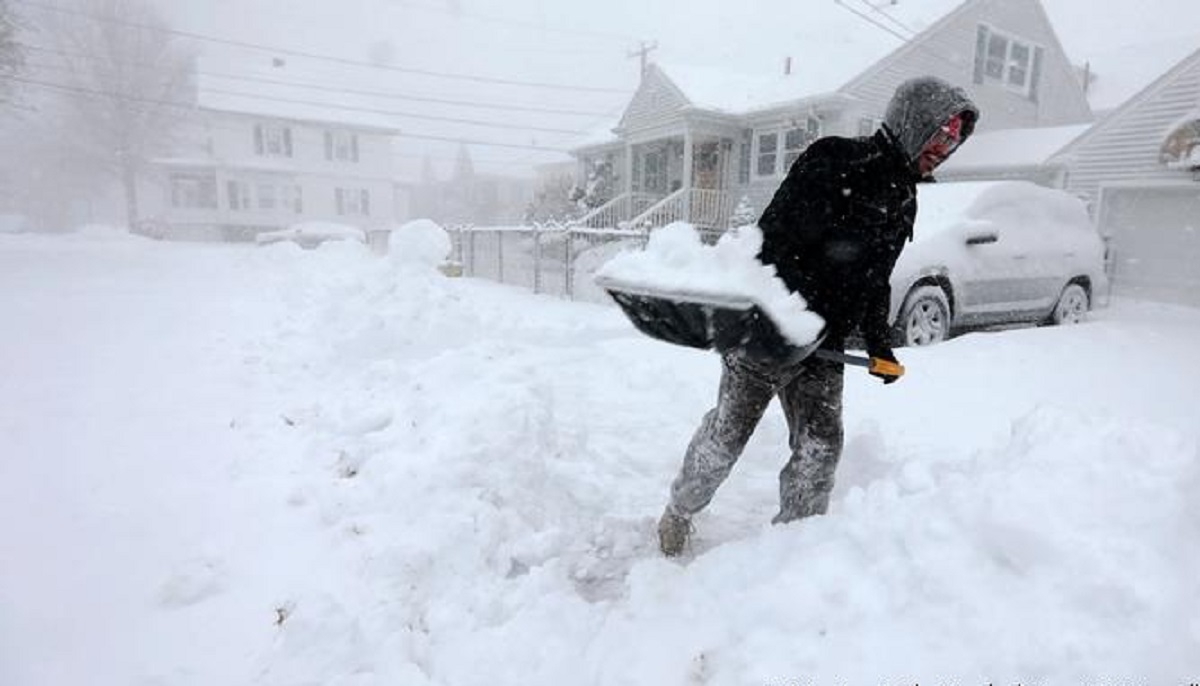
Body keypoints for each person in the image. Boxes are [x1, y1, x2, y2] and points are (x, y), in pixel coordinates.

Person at [657, 76, 979, 556]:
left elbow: (876, 279)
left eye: (954, 139)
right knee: (726, 437)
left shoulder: (905, 197)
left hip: (823, 346)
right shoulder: (836, 159)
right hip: (766, 333)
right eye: (941, 132)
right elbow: (771, 239)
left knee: (820, 451)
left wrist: (878, 344)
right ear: (914, 122)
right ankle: (678, 513)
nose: (946, 146)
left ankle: (793, 551)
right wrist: (775, 314)